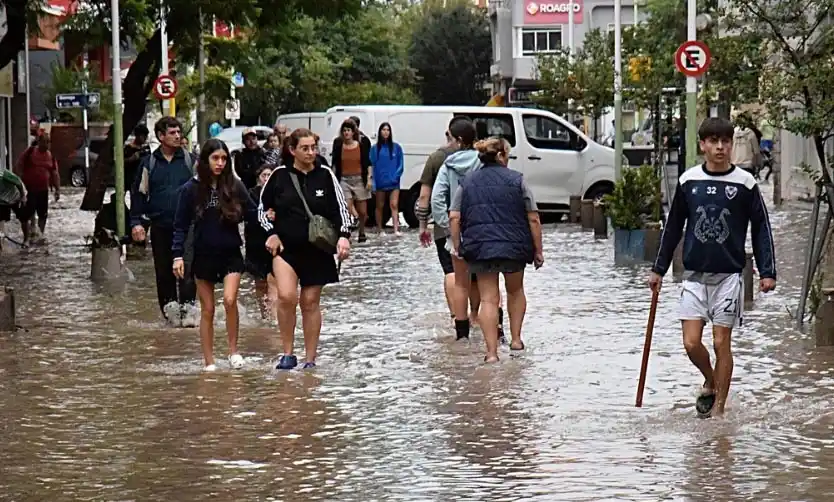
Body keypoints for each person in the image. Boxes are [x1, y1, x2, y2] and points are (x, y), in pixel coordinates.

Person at [649, 117, 777, 418]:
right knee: (691, 343)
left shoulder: (745, 184)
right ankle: (709, 378)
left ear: (731, 144)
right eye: (714, 142)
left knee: (722, 342)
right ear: (703, 145)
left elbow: (761, 227)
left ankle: (718, 413)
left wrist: (767, 271)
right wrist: (658, 268)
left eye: (726, 141)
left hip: (730, 276)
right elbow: (672, 228)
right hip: (693, 275)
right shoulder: (688, 181)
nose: (721, 147)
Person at [259, 128, 352, 370]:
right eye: (305, 148)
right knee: (287, 296)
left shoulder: (326, 175)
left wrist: (344, 237)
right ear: (292, 150)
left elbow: (341, 210)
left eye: (314, 148)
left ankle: (310, 359)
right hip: (286, 249)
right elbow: (261, 208)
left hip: (318, 250)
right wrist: (271, 233)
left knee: (310, 301)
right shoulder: (279, 176)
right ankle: (288, 353)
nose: (311, 153)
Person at [449, 137, 544, 362]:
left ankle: (491, 353)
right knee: (515, 291)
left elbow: (454, 216)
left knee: (488, 299)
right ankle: (517, 340)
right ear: (501, 155)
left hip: (480, 248)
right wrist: (538, 250)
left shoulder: (467, 182)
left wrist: (458, 246)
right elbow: (533, 218)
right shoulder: (518, 180)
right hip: (514, 246)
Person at [172, 138, 257, 372]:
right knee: (207, 309)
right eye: (215, 158)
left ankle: (233, 351)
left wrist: (270, 220)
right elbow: (180, 225)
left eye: (224, 159)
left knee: (230, 300)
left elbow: (252, 212)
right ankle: (209, 361)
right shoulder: (190, 189)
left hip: (230, 252)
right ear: (205, 160)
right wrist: (177, 256)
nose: (220, 163)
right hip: (203, 254)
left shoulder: (234, 185)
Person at [130, 116, 197, 326]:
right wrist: (136, 223)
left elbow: (205, 190)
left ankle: (188, 318)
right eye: (172, 133)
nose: (178, 136)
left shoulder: (190, 161)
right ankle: (170, 319)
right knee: (164, 274)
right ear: (161, 136)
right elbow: (138, 195)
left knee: (187, 272)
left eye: (179, 132)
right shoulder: (148, 163)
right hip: (160, 226)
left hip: (188, 227)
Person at [431, 119, 485, 341]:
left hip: (457, 231)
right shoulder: (483, 162)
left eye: (450, 138)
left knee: (460, 282)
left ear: (459, 140)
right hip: (482, 230)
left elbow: (436, 200)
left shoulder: (448, 165)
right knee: (486, 281)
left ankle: (461, 334)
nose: (448, 143)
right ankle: (490, 327)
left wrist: (447, 225)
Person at [14, 132, 60, 245]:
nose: (47, 144)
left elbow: (55, 173)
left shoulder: (50, 156)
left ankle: (40, 235)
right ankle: (27, 236)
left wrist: (57, 189)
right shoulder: (30, 152)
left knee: (43, 214)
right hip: (29, 189)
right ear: (39, 142)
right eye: (45, 142)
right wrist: (18, 183)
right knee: (27, 213)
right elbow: (19, 165)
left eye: (48, 142)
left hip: (43, 190)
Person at [246, 164, 278, 318]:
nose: (266, 178)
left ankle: (274, 318)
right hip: (255, 244)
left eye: (269, 175)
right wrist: (263, 215)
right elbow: (248, 214)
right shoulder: (251, 194)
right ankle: (264, 314)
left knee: (273, 281)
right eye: (264, 175)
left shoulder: (278, 193)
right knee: (260, 283)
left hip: (274, 242)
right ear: (258, 177)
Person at [332, 119, 372, 242]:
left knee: (363, 211)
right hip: (344, 179)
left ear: (353, 132)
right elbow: (335, 164)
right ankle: (347, 232)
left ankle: (361, 231)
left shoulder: (360, 145)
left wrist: (369, 179)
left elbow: (367, 163)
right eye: (344, 131)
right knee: (346, 206)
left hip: (359, 179)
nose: (346, 133)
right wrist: (333, 179)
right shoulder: (339, 145)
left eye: (348, 130)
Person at [370, 122, 404, 235]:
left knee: (394, 205)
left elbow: (401, 164)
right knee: (379, 206)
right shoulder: (375, 149)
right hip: (380, 182)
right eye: (383, 130)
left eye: (388, 130)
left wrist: (396, 176)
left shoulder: (396, 147)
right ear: (380, 132)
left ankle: (396, 229)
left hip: (394, 182)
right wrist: (373, 182)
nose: (385, 132)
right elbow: (372, 165)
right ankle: (380, 228)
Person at [731, 113, 761, 178]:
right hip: (747, 166)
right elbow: (756, 152)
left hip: (734, 165)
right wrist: (758, 165)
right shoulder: (751, 133)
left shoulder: (732, 133)